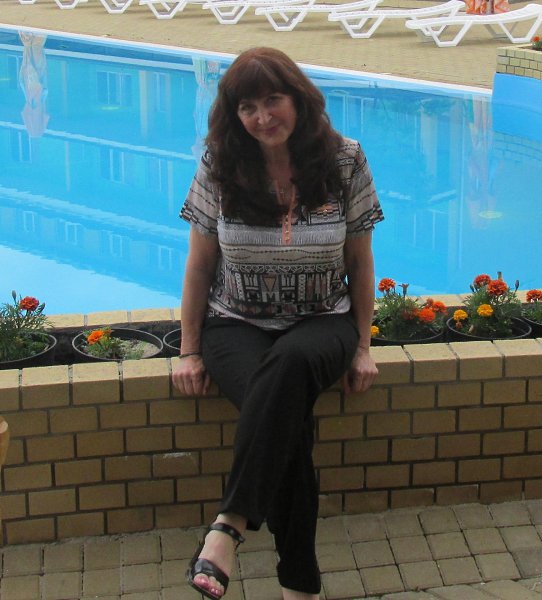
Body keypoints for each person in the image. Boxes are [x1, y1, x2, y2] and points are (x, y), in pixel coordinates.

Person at [172, 47, 384, 600]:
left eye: (273, 100)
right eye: (248, 107)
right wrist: (189, 350)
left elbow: (360, 262)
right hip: (234, 323)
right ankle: (300, 586)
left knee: (289, 366)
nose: (262, 117)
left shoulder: (345, 160)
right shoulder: (220, 163)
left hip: (322, 321)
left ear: (299, 99)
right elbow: (199, 265)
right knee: (287, 422)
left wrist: (363, 345)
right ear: (233, 114)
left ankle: (227, 527)